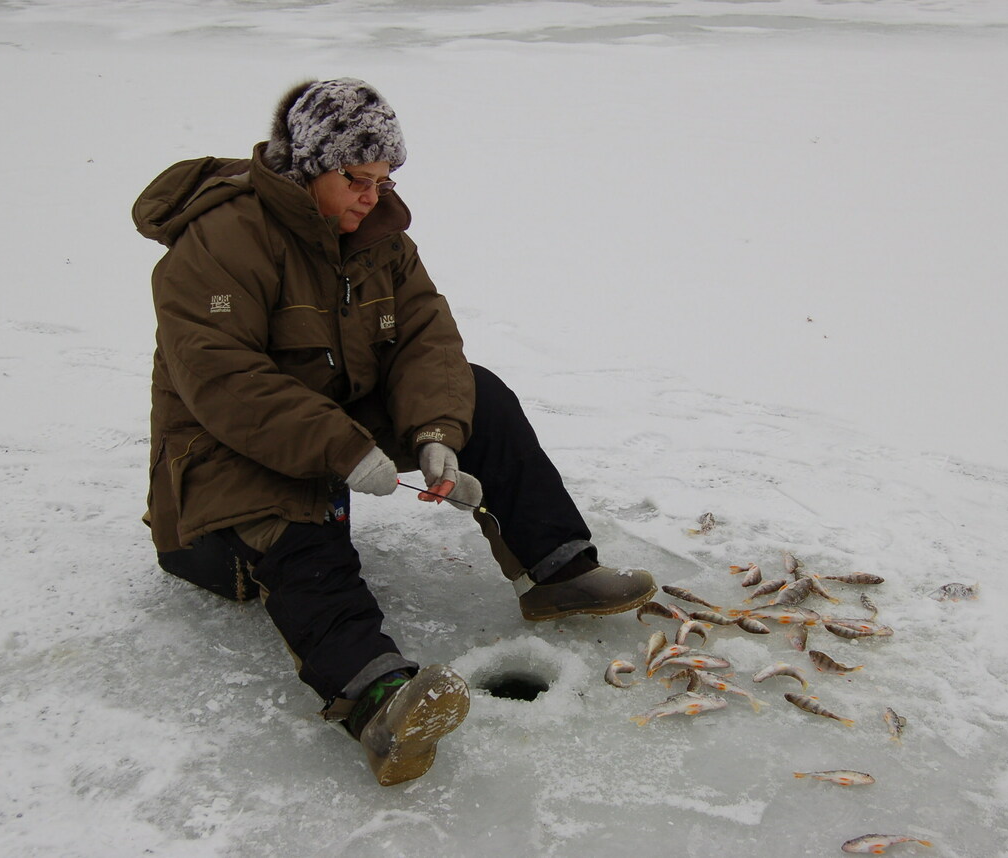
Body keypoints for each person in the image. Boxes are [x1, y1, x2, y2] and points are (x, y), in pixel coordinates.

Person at [131, 79, 657, 786]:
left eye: (384, 179)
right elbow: (227, 386)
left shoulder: (379, 239)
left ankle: (558, 570)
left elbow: (424, 339)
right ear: (307, 165)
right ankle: (378, 702)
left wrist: (437, 431)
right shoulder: (220, 242)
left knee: (480, 393)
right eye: (356, 178)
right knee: (300, 508)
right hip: (223, 462)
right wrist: (343, 449)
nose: (372, 197)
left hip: (326, 425)